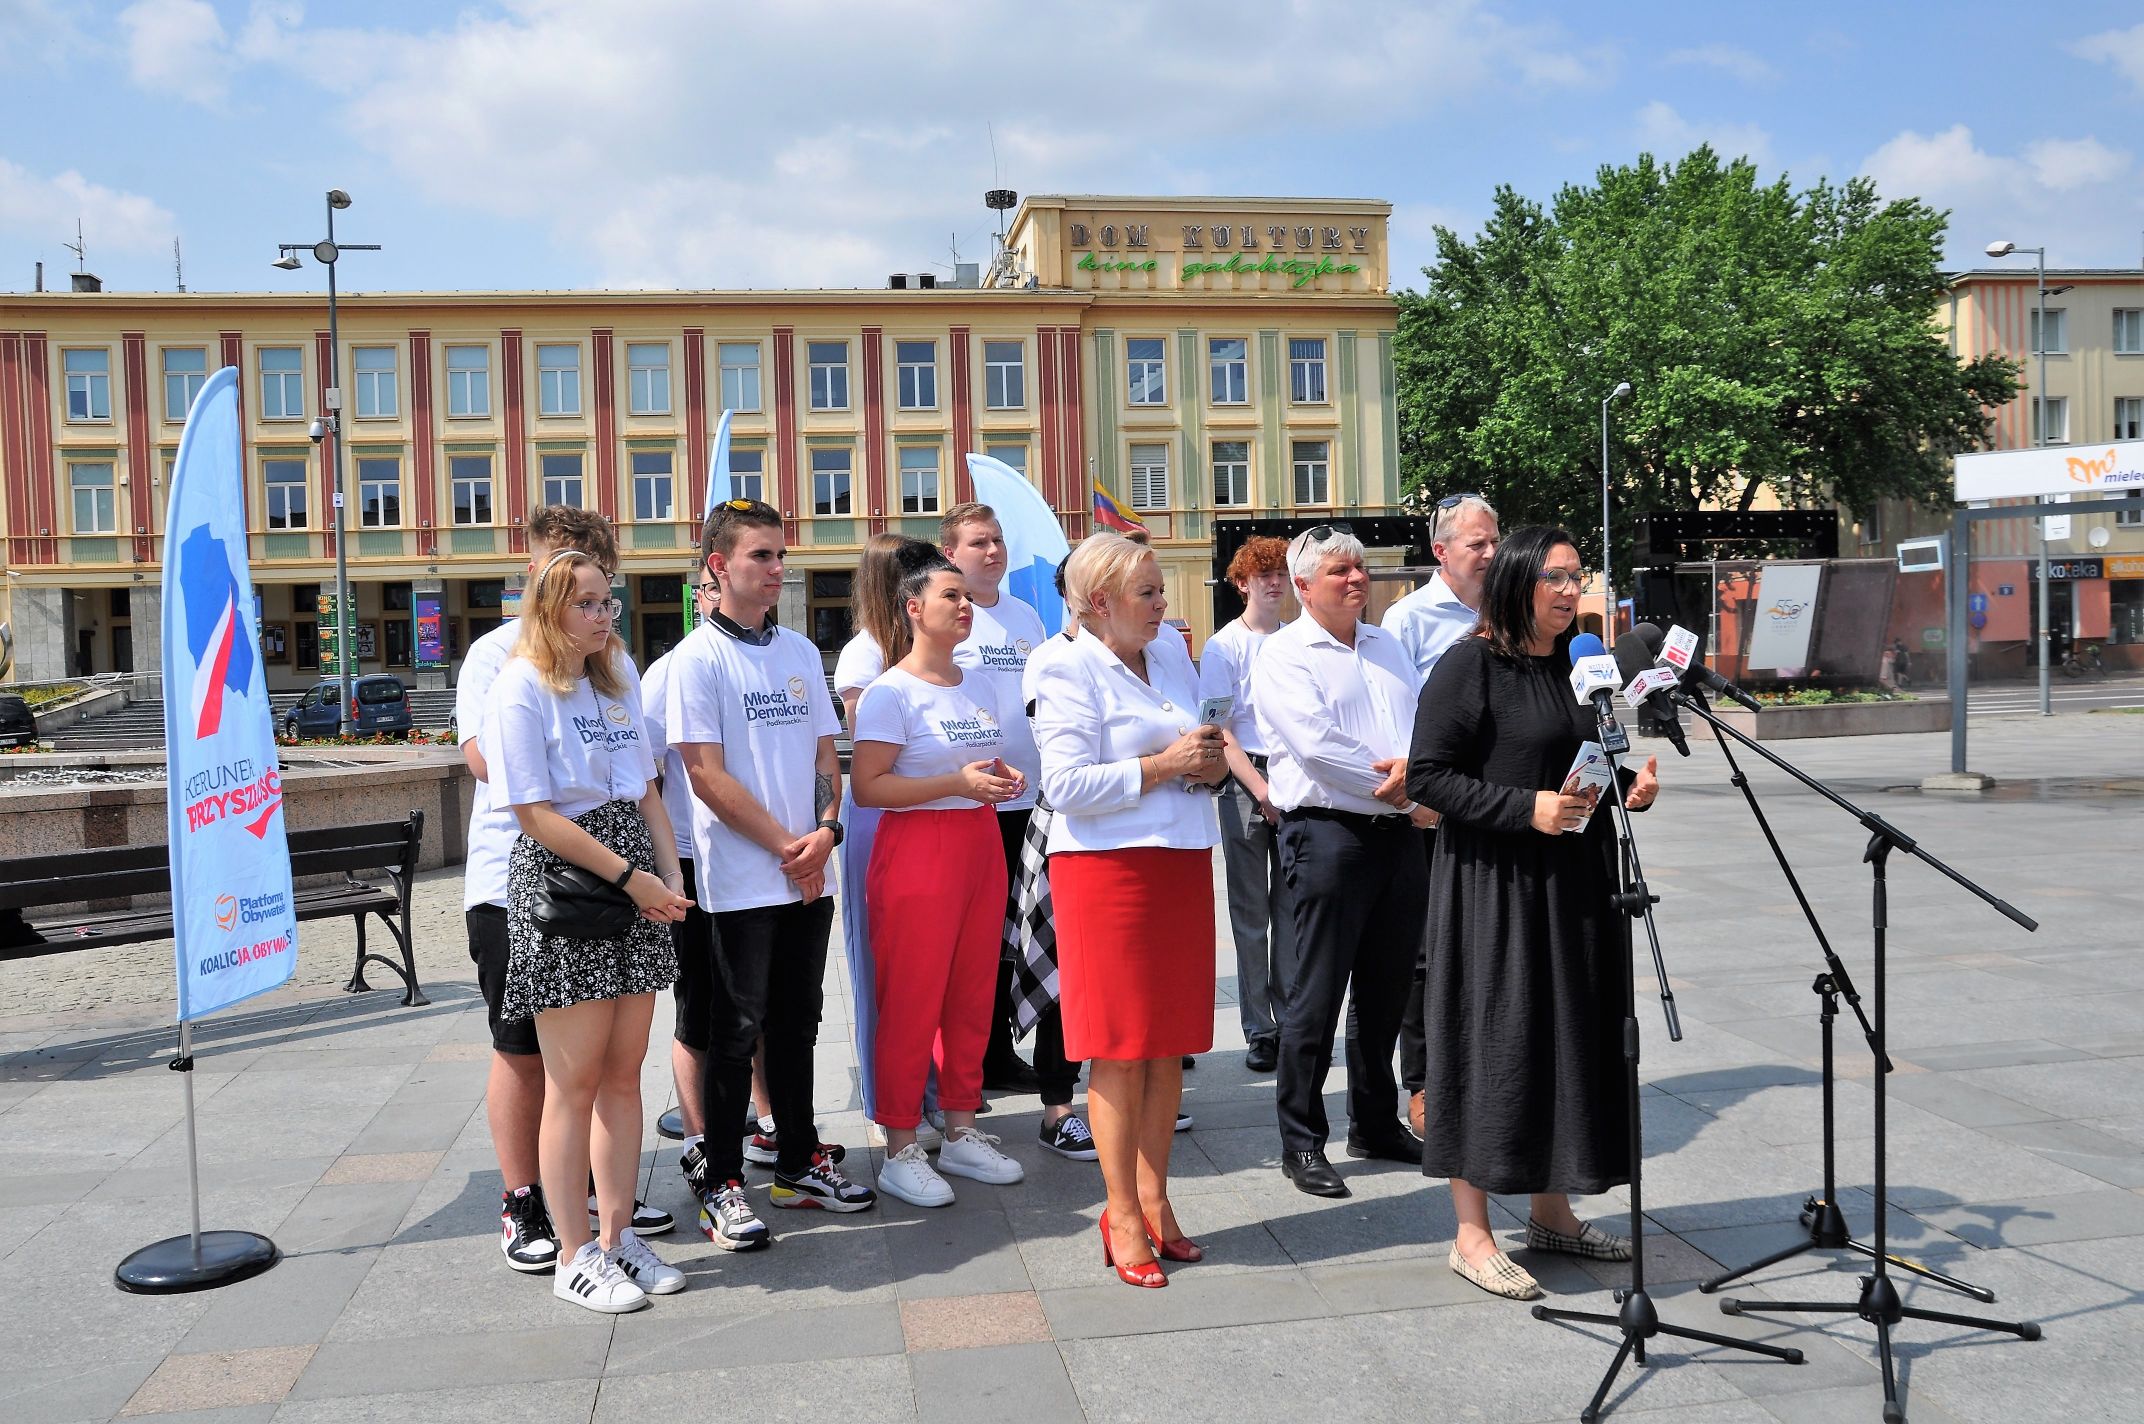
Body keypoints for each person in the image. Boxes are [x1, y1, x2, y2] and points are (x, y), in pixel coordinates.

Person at [1406, 524, 1658, 1301]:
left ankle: (1554, 1211)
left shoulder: (1583, 667)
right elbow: (1427, 779)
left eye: (1577, 576)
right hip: (1496, 884)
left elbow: (1591, 759)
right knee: (1494, 1041)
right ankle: (1472, 1234)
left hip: (1578, 877)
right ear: (1518, 580)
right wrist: (1527, 809)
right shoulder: (1470, 665)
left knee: (1569, 1038)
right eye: (1555, 577)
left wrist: (1627, 790)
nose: (1570, 591)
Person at [457, 506, 672, 1274]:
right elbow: (518, 791)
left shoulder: (614, 673)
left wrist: (665, 878)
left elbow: (645, 781)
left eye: (605, 595)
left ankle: (615, 1229)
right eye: (583, 596)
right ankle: (543, 1215)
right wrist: (629, 871)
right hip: (547, 885)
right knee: (540, 1063)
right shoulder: (506, 670)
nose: (601, 611)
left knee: (619, 1071)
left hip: (633, 888)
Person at [667, 499, 877, 1252]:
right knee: (734, 1033)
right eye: (762, 556)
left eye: (780, 555)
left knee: (798, 1025)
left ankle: (797, 1162)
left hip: (807, 872)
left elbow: (828, 754)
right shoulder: (698, 659)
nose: (778, 569)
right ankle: (723, 1182)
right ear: (720, 567)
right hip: (741, 883)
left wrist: (825, 833)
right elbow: (705, 777)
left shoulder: (795, 651)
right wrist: (791, 844)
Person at [1033, 531, 1223, 1288]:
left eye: (1159, 589)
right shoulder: (1063, 664)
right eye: (1147, 591)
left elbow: (1200, 739)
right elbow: (1068, 785)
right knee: (1118, 1045)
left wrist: (1206, 765)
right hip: (1107, 872)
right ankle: (1119, 1213)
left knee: (1167, 1042)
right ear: (1100, 601)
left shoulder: (1171, 651)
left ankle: (1156, 1201)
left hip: (1179, 857)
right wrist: (1164, 766)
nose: (1162, 603)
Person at [1252, 523, 1434, 1200]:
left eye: (1359, 570)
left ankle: (1375, 1122)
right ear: (1302, 586)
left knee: (1387, 989)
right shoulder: (1284, 654)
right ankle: (1302, 1140)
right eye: (1339, 572)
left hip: (1398, 835)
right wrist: (1401, 787)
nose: (1357, 580)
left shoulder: (1386, 644)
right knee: (1314, 995)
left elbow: (1420, 726)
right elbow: (1315, 746)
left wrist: (1417, 777)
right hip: (1326, 836)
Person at [851, 551, 1030, 1205]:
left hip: (978, 844)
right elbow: (869, 788)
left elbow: (981, 762)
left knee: (972, 994)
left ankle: (959, 1128)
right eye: (950, 595)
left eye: (967, 598)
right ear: (912, 608)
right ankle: (901, 1144)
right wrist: (954, 783)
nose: (965, 606)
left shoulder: (976, 683)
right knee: (911, 999)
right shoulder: (890, 691)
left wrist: (998, 781)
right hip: (917, 853)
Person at [941, 502, 1091, 1156]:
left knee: (1022, 935)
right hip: (972, 805)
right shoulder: (948, 620)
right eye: (979, 542)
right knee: (975, 942)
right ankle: (972, 1065)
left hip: (1032, 803)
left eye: (998, 539)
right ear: (951, 554)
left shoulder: (1027, 618)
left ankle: (1005, 1056)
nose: (994, 551)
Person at [1380, 494, 1500, 1138]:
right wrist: (1421, 797)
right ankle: (1423, 1085)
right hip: (1435, 811)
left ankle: (1484, 1073)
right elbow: (1396, 719)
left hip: (1503, 809)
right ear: (1441, 551)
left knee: (1492, 948)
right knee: (1425, 957)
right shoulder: (1408, 620)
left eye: (1493, 542)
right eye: (1475, 544)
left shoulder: (1512, 610)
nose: (1488, 554)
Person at [833, 532, 940, 1144]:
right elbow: (876, 751)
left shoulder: (932, 652)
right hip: (881, 816)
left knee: (926, 968)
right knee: (881, 964)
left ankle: (928, 1094)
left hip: (929, 814)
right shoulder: (864, 655)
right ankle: (885, 1101)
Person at [1197, 535, 1296, 1076]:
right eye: (1264, 576)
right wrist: (1261, 790)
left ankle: (1291, 1019)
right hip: (1245, 778)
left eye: (1280, 574)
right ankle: (1260, 1027)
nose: (1274, 584)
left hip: (1291, 773)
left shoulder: (1296, 639)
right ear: (1242, 584)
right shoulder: (1224, 646)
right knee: (1251, 910)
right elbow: (1220, 729)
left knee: (1292, 908)